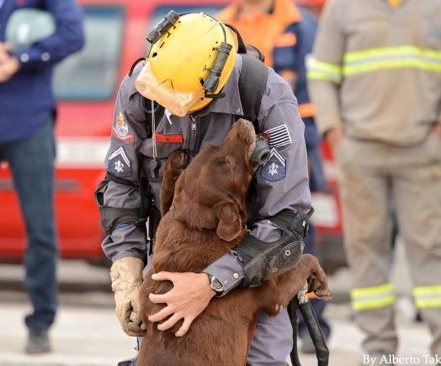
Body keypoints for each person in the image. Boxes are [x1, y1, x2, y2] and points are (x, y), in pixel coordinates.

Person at [99, 11, 313, 366]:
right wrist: (127, 273)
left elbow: (287, 221)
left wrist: (210, 284)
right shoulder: (143, 89)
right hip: (172, 263)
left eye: (180, 101)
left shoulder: (267, 98)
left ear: (214, 82)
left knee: (264, 361)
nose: (171, 107)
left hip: (252, 268)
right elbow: (121, 184)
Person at [308, 0, 441, 364]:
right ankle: (378, 352)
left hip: (422, 149)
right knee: (367, 251)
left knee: (432, 249)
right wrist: (335, 135)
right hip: (360, 152)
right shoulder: (343, 7)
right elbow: (320, 72)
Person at [0, 0, 84, 354]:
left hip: (29, 122)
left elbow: (73, 34)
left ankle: (40, 322)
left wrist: (17, 60)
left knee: (40, 227)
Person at [217, 0, 331, 353]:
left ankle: (313, 320)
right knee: (248, 237)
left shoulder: (300, 25)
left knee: (295, 235)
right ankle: (256, 318)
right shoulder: (220, 24)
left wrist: (303, 154)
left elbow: (312, 95)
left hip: (289, 146)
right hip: (238, 154)